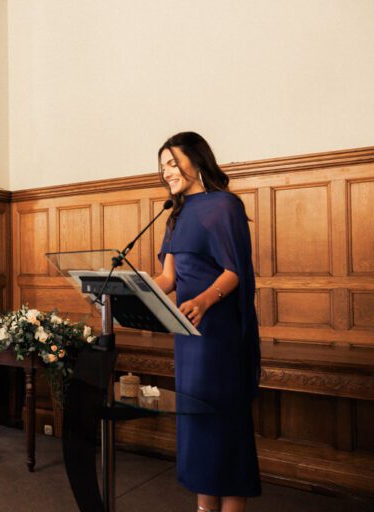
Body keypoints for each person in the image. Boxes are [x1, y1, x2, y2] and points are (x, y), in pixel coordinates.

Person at [153, 132, 261, 512]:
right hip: (188, 338)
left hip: (218, 334)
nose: (167, 171)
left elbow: (235, 271)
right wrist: (127, 289)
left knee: (223, 424)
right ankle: (204, 507)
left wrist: (203, 298)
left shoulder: (224, 206)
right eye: (163, 164)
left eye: (173, 162)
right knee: (196, 421)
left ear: (196, 161)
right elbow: (167, 279)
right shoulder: (175, 213)